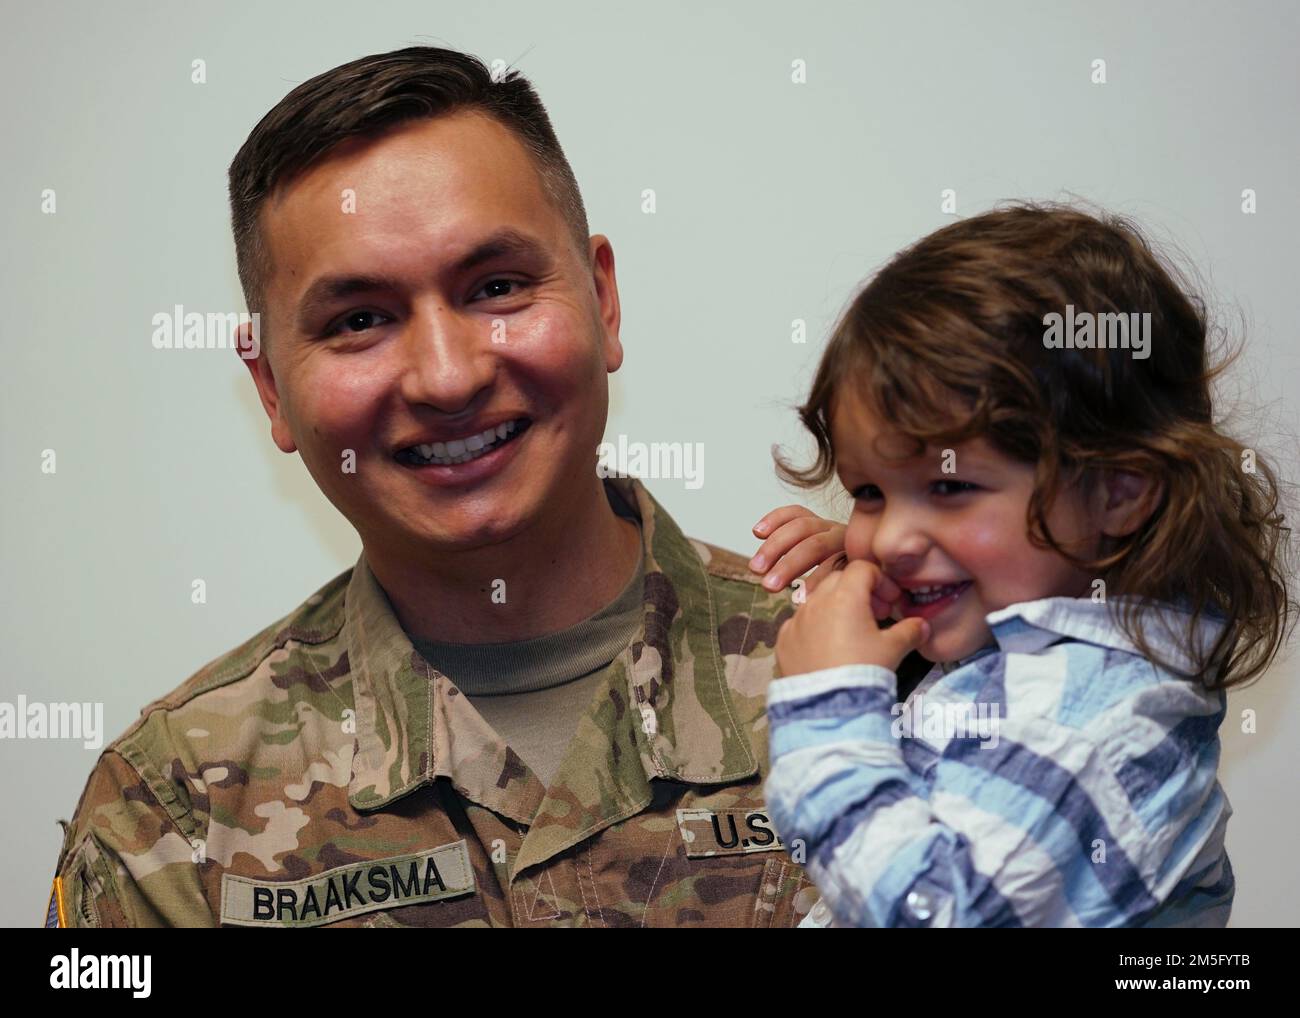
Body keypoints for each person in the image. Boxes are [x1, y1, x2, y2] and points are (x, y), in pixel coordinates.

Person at [46, 45, 867, 928]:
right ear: (271, 389)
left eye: (497, 287)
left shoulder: (884, 680)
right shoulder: (171, 814)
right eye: (359, 320)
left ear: (604, 301)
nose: (446, 377)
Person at [761, 203, 1295, 927]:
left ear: (1118, 491)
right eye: (870, 493)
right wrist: (889, 600)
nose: (887, 539)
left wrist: (829, 708)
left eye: (949, 487)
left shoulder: (1090, 722)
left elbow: (932, 914)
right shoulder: (1023, 663)